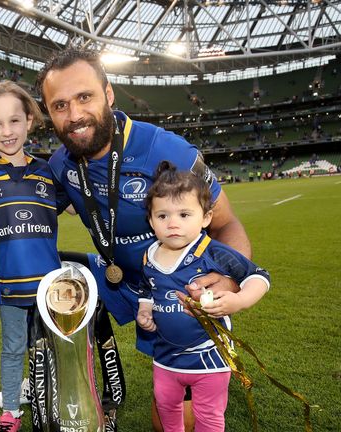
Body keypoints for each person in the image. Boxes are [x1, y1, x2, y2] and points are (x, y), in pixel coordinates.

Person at [37, 47, 251, 430]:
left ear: (108, 93)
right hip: (121, 279)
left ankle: (209, 365)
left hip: (177, 290)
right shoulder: (60, 165)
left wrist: (230, 281)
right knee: (55, 273)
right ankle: (70, 391)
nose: (74, 115)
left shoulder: (166, 151)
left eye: (84, 97)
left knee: (172, 420)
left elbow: (227, 224)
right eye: (60, 105)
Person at [135, 162, 270, 431]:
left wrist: (238, 300)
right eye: (162, 216)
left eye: (184, 214)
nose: (173, 223)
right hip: (165, 357)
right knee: (167, 408)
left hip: (208, 356)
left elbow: (259, 276)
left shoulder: (213, 252)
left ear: (206, 218)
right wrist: (145, 309)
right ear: (150, 220)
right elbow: (147, 287)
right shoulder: (149, 256)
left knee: (209, 415)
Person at [0, 81, 65, 432]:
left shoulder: (48, 171)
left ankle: (56, 404)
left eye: (14, 121)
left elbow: (75, 207)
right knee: (12, 349)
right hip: (10, 285)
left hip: (52, 285)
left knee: (53, 350)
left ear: (29, 120)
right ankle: (11, 411)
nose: (6, 131)